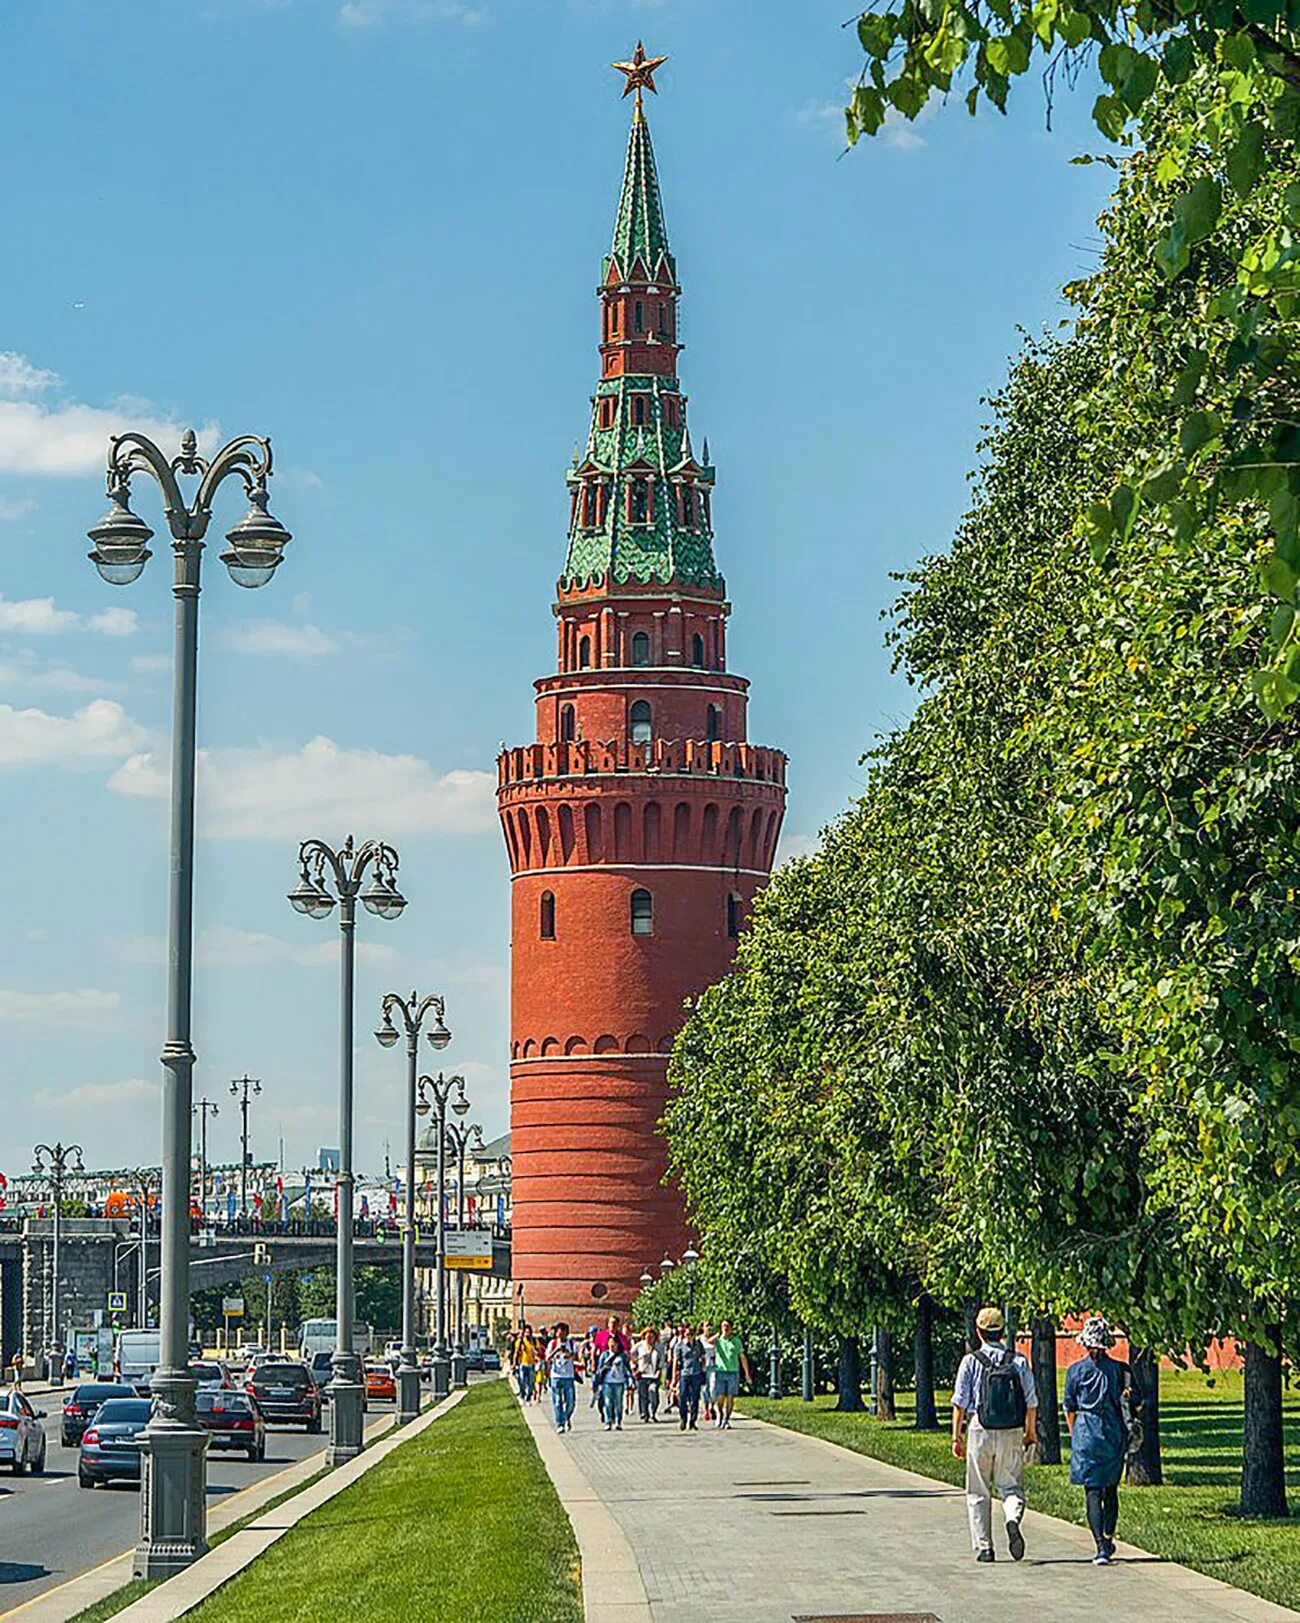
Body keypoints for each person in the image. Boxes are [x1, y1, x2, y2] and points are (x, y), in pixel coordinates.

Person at [951, 1306, 1038, 1563]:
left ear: (978, 1332)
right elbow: (1031, 1402)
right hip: (1011, 1429)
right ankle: (1012, 1519)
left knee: (978, 1489)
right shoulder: (1019, 1361)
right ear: (1002, 1332)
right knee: (1011, 1485)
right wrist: (1030, 1432)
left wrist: (956, 1437)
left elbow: (959, 1403)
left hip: (981, 1428)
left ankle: (984, 1547)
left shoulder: (970, 1361)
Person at [1064, 1316, 1139, 1566]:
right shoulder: (1119, 1369)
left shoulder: (1075, 1371)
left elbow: (1069, 1406)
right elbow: (1131, 1400)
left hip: (1086, 1431)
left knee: (1092, 1490)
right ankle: (1107, 1536)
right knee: (1110, 1487)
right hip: (1111, 1430)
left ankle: (1099, 1544)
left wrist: (1075, 1433)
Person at [710, 1319, 751, 1430]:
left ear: (731, 1328)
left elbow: (742, 1357)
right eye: (723, 1326)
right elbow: (708, 1341)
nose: (725, 1328)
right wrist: (718, 1334)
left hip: (733, 1372)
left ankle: (727, 1419)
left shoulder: (736, 1341)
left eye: (727, 1326)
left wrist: (747, 1373)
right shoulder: (718, 1340)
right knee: (720, 1397)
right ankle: (720, 1414)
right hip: (720, 1371)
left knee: (730, 1397)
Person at [671, 1324, 705, 1431]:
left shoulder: (698, 1344)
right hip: (684, 1373)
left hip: (696, 1373)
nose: (689, 1336)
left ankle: (693, 1421)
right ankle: (683, 1418)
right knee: (682, 1396)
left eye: (691, 1334)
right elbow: (675, 1362)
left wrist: (703, 1369)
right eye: (687, 1334)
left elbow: (703, 1357)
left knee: (695, 1399)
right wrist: (674, 1378)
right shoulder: (680, 1345)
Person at [596, 1335, 632, 1430]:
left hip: (619, 1382)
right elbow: (598, 1370)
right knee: (607, 1402)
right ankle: (608, 1421)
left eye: (614, 1343)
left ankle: (618, 1421)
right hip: (607, 1382)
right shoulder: (604, 1355)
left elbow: (627, 1369)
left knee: (618, 1403)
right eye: (610, 1343)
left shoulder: (622, 1356)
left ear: (617, 1344)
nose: (612, 1345)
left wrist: (630, 1381)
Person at [547, 1322, 577, 1434]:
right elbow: (547, 1358)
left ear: (566, 1332)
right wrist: (556, 1350)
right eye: (558, 1331)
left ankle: (566, 1417)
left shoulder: (571, 1343)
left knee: (571, 1402)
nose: (560, 1334)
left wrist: (569, 1354)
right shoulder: (553, 1343)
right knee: (557, 1401)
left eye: (562, 1331)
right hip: (556, 1376)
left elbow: (577, 1356)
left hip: (568, 1376)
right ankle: (560, 1423)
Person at [633, 1326, 664, 1422]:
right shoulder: (639, 1346)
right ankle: (644, 1414)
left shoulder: (659, 1347)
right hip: (642, 1375)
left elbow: (663, 1359)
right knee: (643, 1396)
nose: (649, 1339)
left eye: (651, 1337)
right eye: (647, 1337)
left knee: (653, 1393)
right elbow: (631, 1355)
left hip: (653, 1375)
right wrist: (634, 1366)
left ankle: (653, 1412)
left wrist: (660, 1369)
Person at [515, 1324, 538, 1402]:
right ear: (524, 1333)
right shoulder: (520, 1341)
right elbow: (516, 1352)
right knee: (522, 1380)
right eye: (526, 1332)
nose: (527, 1334)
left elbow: (538, 1351)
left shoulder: (534, 1341)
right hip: (522, 1363)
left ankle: (529, 1394)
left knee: (531, 1381)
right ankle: (522, 1393)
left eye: (529, 1332)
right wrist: (514, 1363)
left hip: (531, 1364)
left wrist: (535, 1351)